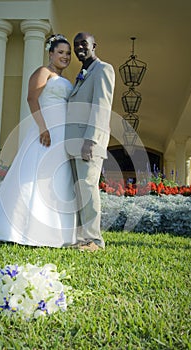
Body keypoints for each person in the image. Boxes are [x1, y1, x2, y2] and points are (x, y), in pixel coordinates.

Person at [0, 34, 77, 248]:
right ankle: (15, 227)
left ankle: (54, 232)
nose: (65, 57)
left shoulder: (66, 80)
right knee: (33, 174)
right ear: (51, 53)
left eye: (68, 53)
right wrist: (43, 127)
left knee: (56, 177)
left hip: (61, 134)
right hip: (45, 130)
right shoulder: (43, 72)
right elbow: (32, 98)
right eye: (60, 52)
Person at [65, 32, 115, 252]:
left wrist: (91, 140)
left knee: (87, 188)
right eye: (76, 45)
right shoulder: (83, 73)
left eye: (83, 43)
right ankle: (80, 238)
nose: (79, 48)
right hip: (73, 143)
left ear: (95, 45)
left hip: (88, 142)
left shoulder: (103, 69)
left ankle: (94, 240)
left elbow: (101, 107)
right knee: (79, 191)